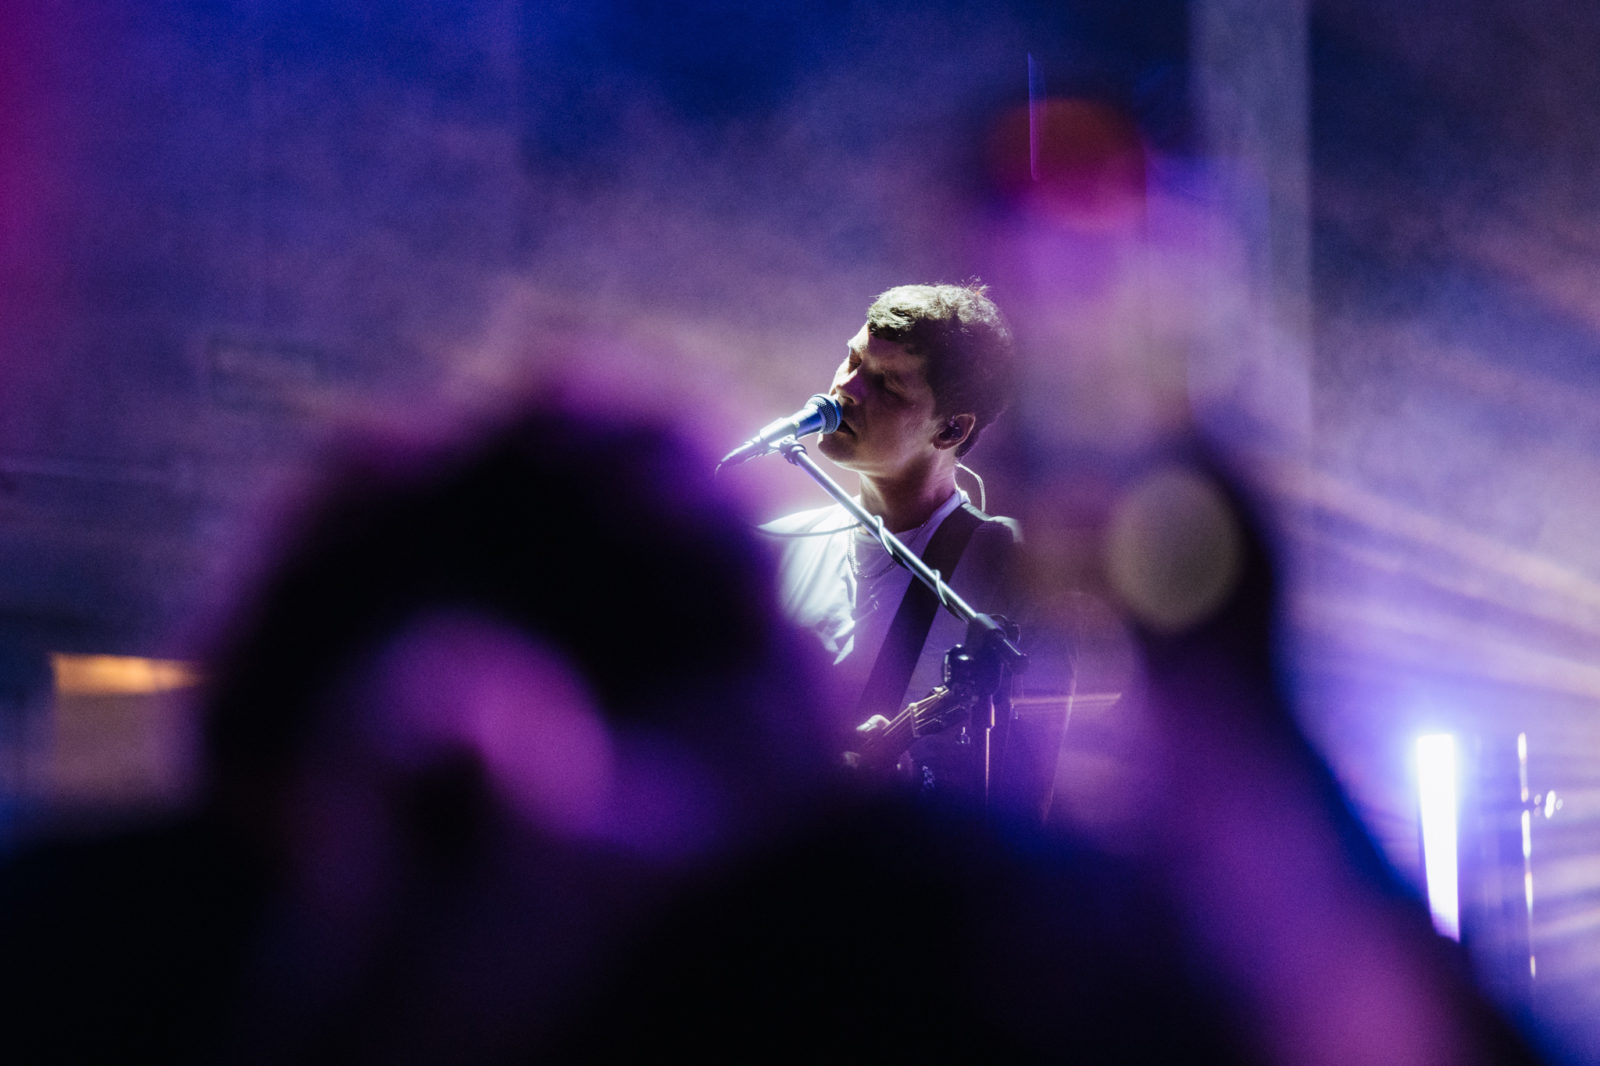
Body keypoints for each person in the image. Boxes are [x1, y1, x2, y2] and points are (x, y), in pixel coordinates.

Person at [764, 281, 1041, 805]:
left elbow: (1040, 787)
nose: (847, 388)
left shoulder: (1002, 567)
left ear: (951, 429)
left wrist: (918, 784)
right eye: (852, 359)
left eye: (887, 385)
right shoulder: (780, 545)